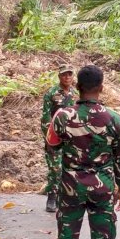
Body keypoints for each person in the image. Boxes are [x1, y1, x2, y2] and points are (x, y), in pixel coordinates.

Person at [47, 65, 120, 239]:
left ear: (77, 87)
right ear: (101, 87)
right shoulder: (114, 119)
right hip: (102, 189)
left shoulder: (62, 116)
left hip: (71, 187)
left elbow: (52, 144)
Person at [41, 65, 76, 213]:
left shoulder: (75, 94)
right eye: (64, 75)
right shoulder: (52, 93)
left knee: (71, 167)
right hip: (55, 135)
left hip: (71, 137)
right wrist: (49, 138)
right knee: (55, 168)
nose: (67, 77)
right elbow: (46, 116)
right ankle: (52, 196)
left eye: (69, 74)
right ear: (59, 76)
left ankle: (67, 197)